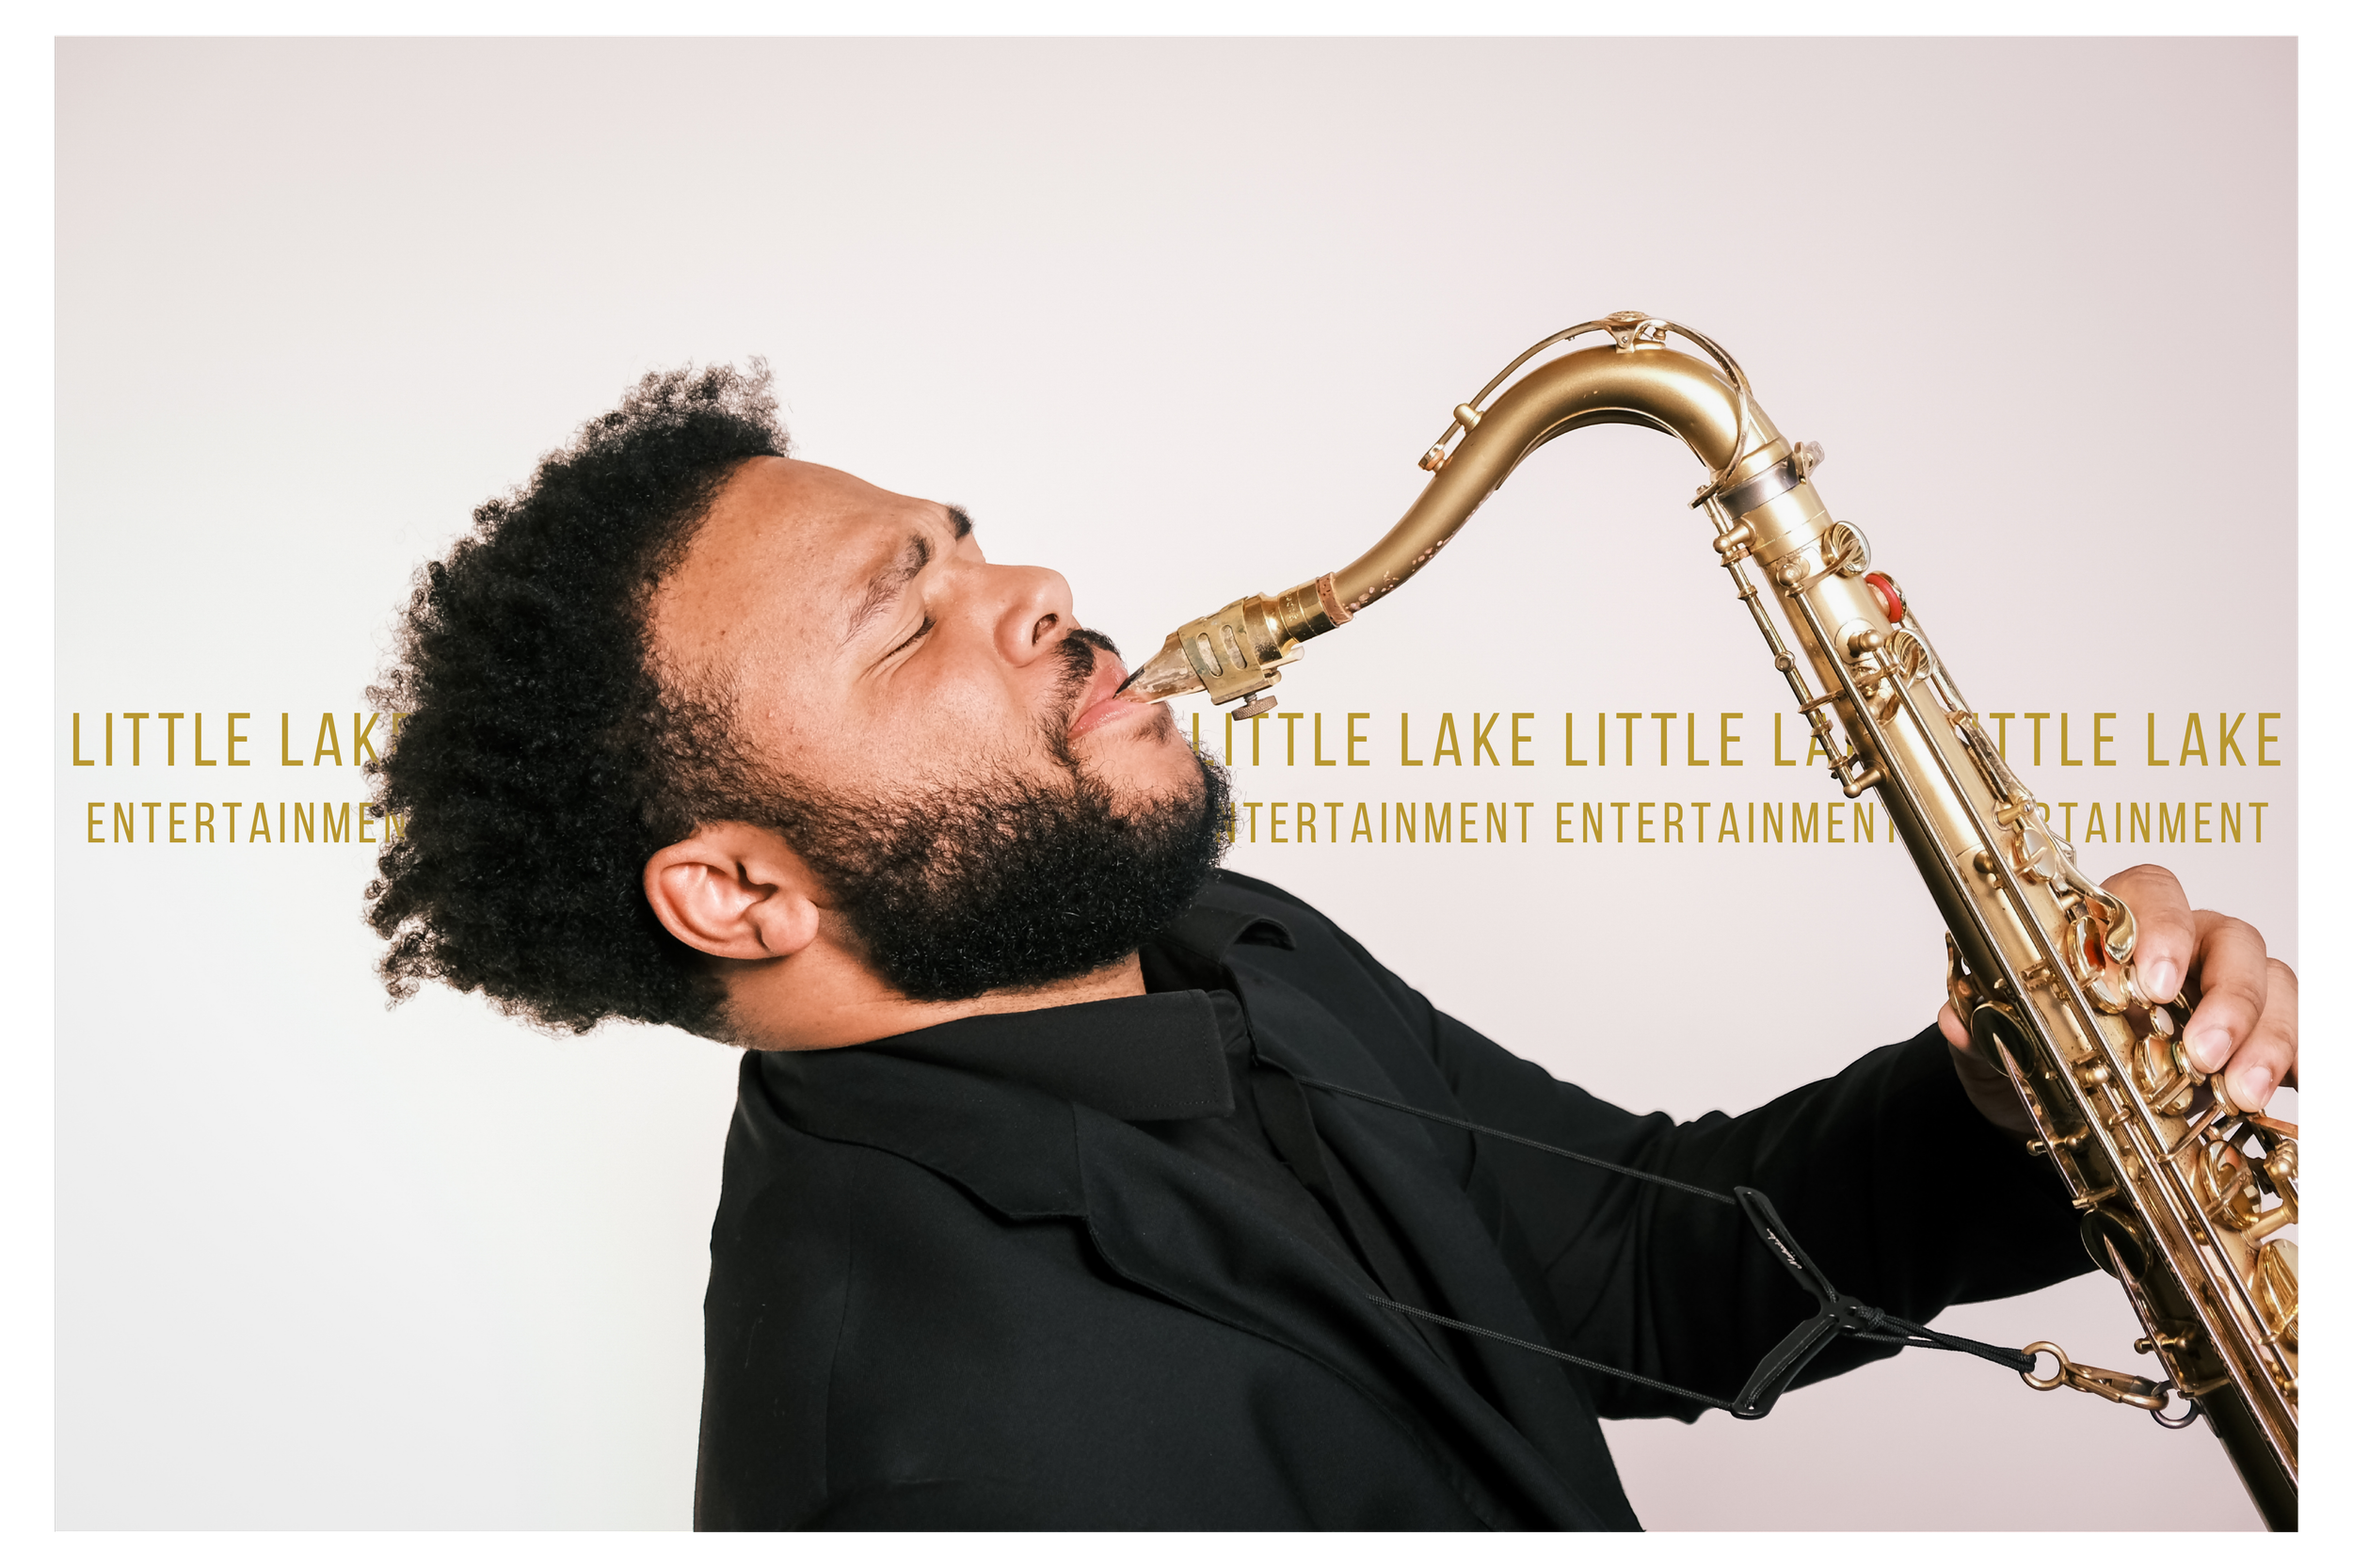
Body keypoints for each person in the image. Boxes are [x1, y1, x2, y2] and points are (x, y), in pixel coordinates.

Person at [366, 363, 2300, 1531]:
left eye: (962, 544)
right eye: (905, 620)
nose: (1029, 589)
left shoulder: (1200, 940)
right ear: (738, 895)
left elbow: (1642, 1263)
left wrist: (2027, 1084)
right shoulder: (927, 1472)